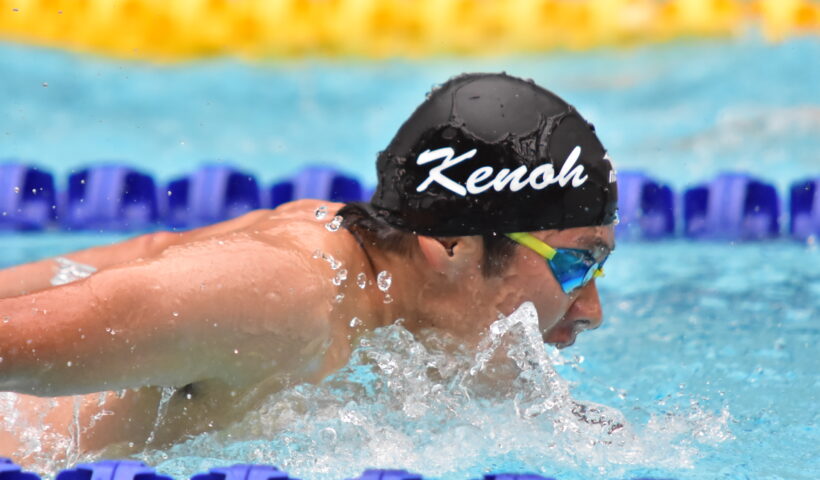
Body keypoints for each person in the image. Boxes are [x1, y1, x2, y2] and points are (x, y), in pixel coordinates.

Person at [0, 72, 617, 463]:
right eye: (575, 264)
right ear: (452, 244)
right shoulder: (279, 297)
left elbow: (148, 251)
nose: (591, 310)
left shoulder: (357, 258)